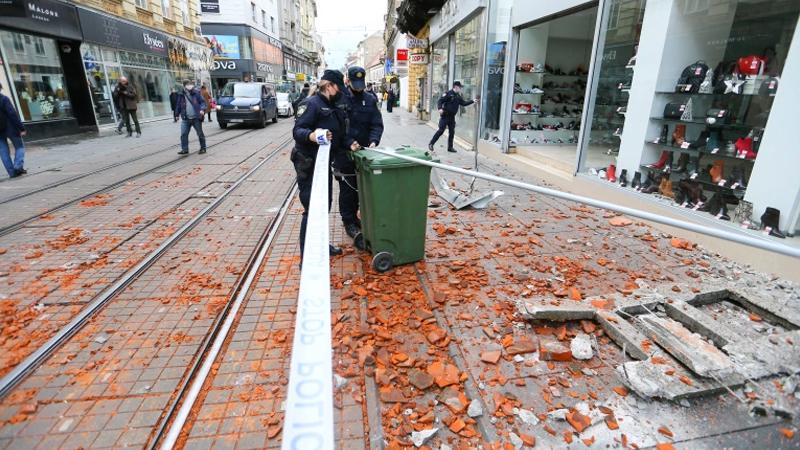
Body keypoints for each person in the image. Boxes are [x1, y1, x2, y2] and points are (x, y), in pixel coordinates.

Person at [292, 70, 348, 259]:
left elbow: (340, 134)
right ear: (329, 86)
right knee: (312, 207)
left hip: (324, 164)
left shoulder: (334, 106)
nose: (341, 91)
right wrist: (312, 136)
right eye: (339, 86)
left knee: (324, 205)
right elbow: (298, 130)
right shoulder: (311, 104)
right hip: (308, 162)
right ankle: (306, 256)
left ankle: (321, 245)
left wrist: (351, 143)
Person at [335, 66, 383, 250]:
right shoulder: (340, 100)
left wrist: (373, 141)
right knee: (348, 190)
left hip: (364, 154)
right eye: (356, 84)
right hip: (345, 153)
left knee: (362, 188)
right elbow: (337, 128)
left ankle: (359, 217)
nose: (359, 88)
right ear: (348, 81)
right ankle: (349, 221)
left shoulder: (370, 99)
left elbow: (376, 124)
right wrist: (349, 142)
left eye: (361, 84)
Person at [429, 81, 478, 153]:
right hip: (445, 116)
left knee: (452, 132)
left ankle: (450, 147)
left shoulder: (458, 96)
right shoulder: (448, 94)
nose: (460, 89)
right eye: (460, 87)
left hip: (452, 117)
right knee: (441, 130)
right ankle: (431, 143)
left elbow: (463, 103)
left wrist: (473, 101)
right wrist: (440, 109)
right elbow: (440, 101)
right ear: (456, 87)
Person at [0, 82, 26, 178]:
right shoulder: (3, 99)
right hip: (10, 128)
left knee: (3, 151)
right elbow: (12, 114)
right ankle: (18, 166)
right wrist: (21, 128)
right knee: (20, 147)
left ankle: (12, 173)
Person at [174, 80, 207, 155]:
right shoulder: (181, 94)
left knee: (200, 133)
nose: (190, 85)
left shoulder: (196, 92)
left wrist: (202, 109)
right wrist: (176, 115)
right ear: (184, 86)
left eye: (190, 84)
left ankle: (203, 148)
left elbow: (202, 102)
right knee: (183, 134)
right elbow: (178, 105)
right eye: (188, 84)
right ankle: (185, 149)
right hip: (186, 118)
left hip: (196, 118)